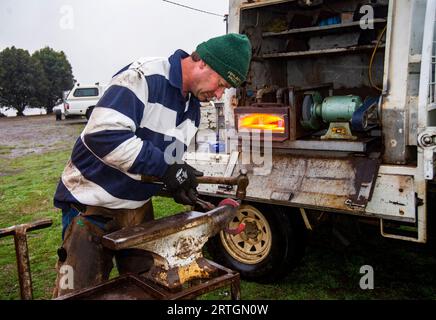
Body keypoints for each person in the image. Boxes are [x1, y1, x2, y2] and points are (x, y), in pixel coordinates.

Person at [52, 33, 252, 297]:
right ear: (203, 62)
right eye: (221, 84)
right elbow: (104, 136)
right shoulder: (143, 77)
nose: (218, 95)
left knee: (148, 290)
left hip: (136, 209)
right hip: (91, 205)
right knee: (78, 293)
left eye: (224, 90)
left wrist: (177, 185)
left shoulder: (192, 109)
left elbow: (162, 161)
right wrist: (166, 169)